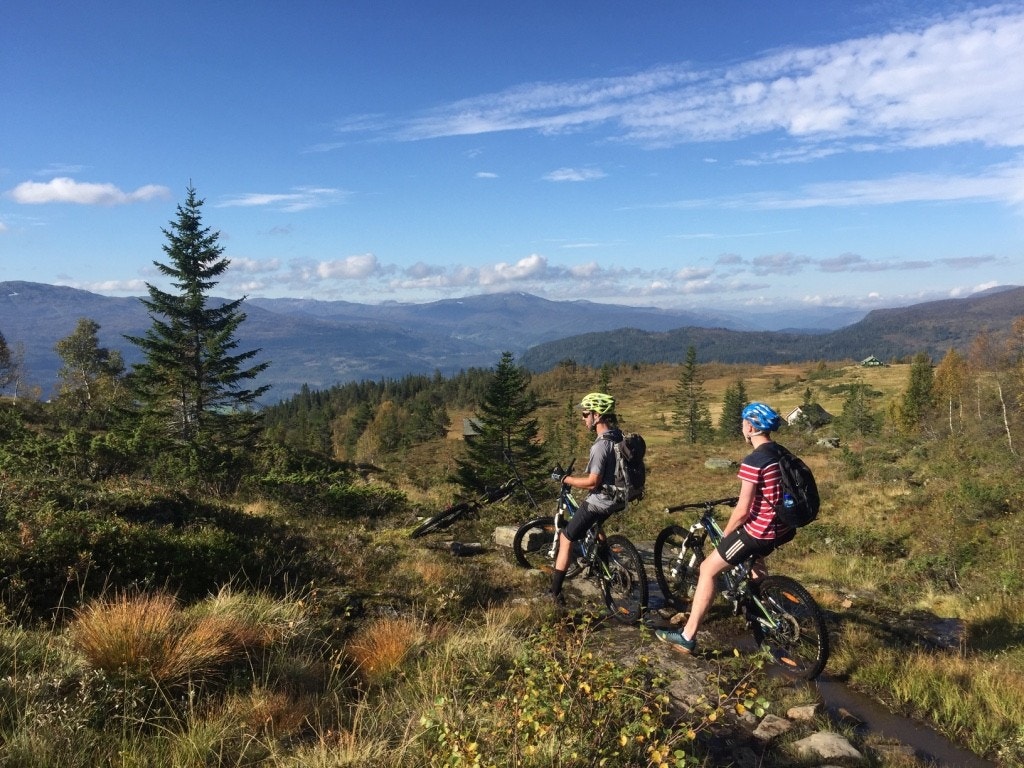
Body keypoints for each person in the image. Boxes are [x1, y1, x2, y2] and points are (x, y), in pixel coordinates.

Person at [656, 402, 796, 654]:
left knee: (708, 569)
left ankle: (687, 636)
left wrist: (726, 535)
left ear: (751, 427)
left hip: (760, 531)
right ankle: (758, 607)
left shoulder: (754, 460)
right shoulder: (780, 452)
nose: (742, 427)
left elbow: (742, 512)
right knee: (754, 563)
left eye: (744, 422)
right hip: (783, 527)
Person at [549, 392, 625, 606]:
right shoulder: (618, 436)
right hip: (620, 498)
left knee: (566, 537)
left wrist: (566, 479)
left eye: (585, 414)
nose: (583, 418)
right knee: (595, 527)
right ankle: (604, 560)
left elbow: (592, 482)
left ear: (597, 415)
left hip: (602, 501)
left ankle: (554, 593)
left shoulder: (600, 445)